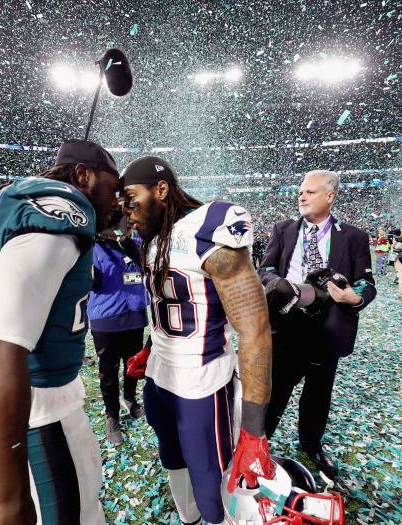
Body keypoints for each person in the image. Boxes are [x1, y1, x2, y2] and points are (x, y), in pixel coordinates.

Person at [0, 140, 120, 525]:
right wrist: (9, 498)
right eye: (113, 187)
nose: (117, 201)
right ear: (83, 175)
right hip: (36, 404)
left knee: (85, 508)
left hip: (34, 395)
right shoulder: (62, 211)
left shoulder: (41, 209)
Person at [121, 156, 274, 525]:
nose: (127, 211)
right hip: (159, 379)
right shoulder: (154, 237)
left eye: (130, 198)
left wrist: (253, 430)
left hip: (200, 385)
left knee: (211, 482)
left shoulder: (209, 226)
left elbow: (254, 329)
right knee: (172, 459)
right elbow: (170, 303)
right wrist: (150, 347)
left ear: (161, 189)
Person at [257, 169, 376, 480]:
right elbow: (265, 267)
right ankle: (259, 441)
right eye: (301, 191)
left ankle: (311, 443)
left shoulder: (354, 237)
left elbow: (366, 282)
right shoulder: (282, 230)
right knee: (277, 389)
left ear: (329, 196)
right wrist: (279, 283)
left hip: (328, 327)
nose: (302, 196)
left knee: (318, 392)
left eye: (309, 191)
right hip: (286, 325)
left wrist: (354, 297)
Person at [88, 213, 148, 444]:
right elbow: (90, 281)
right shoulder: (92, 247)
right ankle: (112, 414)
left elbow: (144, 266)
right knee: (108, 371)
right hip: (106, 318)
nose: (119, 226)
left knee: (133, 364)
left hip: (134, 315)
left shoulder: (135, 243)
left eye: (122, 221)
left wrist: (127, 242)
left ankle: (130, 398)